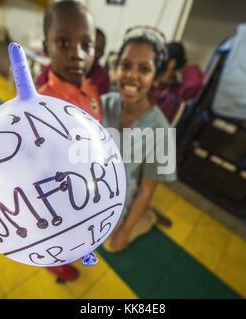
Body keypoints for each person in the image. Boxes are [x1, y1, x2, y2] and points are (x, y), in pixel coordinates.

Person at [38, 0, 101, 281]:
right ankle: (55, 262)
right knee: (57, 230)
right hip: (56, 191)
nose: (77, 54)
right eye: (64, 42)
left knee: (81, 225)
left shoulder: (90, 89)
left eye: (86, 45)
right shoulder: (41, 104)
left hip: (85, 182)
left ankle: (80, 246)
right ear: (46, 46)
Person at [100, 26, 177, 253]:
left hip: (116, 204)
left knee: (110, 246)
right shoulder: (103, 103)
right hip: (89, 194)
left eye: (144, 69)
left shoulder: (161, 130)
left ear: (157, 77)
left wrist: (125, 231)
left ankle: (146, 218)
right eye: (126, 65)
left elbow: (146, 190)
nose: (132, 75)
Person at [36, 28, 110, 96]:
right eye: (88, 46)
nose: (93, 54)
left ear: (103, 53)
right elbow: (38, 88)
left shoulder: (102, 77)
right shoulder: (58, 66)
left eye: (98, 50)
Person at [149, 41, 204, 122]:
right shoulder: (148, 85)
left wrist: (184, 65)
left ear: (172, 63)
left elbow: (194, 85)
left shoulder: (176, 91)